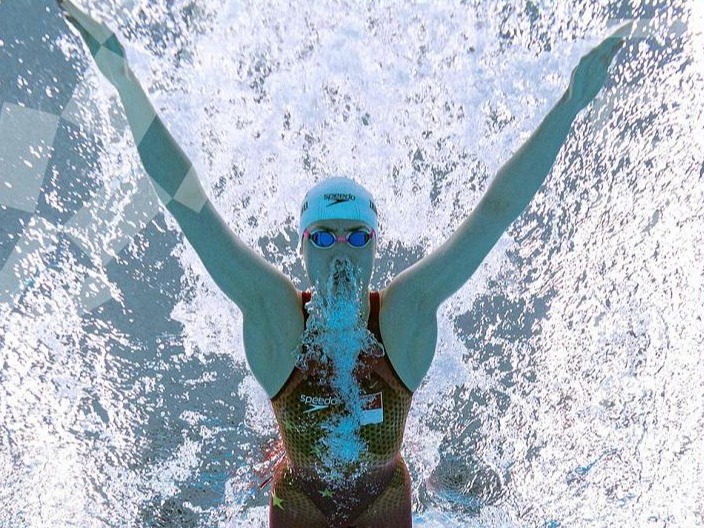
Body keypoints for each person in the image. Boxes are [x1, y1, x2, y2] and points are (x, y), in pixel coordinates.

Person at [55, 1, 628, 526]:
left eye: (356, 236)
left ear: (376, 244)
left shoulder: (404, 316)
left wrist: (569, 104)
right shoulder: (275, 318)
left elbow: (495, 213)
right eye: (324, 237)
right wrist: (125, 80)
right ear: (301, 246)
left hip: (385, 500)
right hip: (299, 502)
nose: (341, 252)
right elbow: (191, 209)